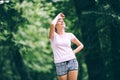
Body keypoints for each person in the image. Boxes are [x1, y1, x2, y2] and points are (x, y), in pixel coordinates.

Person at [48, 12, 84, 80]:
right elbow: (52, 24)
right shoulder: (53, 36)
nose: (62, 21)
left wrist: (73, 52)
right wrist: (58, 16)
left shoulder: (70, 35)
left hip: (72, 61)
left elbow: (81, 45)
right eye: (59, 21)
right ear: (56, 25)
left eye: (62, 20)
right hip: (60, 63)